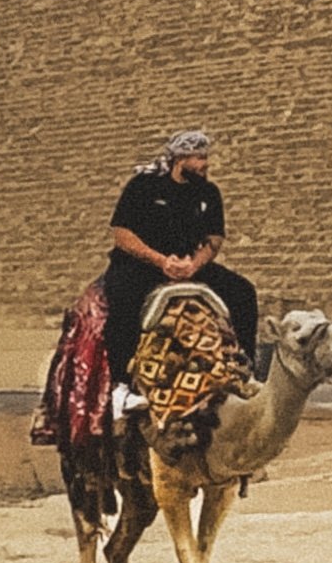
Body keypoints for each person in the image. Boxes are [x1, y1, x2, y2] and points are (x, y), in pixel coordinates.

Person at [102, 128, 260, 384]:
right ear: (180, 160)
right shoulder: (144, 186)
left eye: (205, 156)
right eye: (198, 157)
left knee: (242, 292)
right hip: (142, 264)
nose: (205, 163)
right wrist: (161, 261)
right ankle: (121, 383)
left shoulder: (209, 193)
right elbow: (121, 234)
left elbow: (214, 239)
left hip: (188, 263)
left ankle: (244, 369)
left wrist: (193, 265)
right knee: (123, 299)